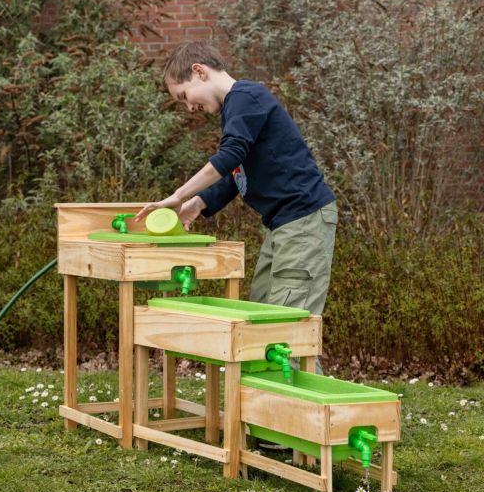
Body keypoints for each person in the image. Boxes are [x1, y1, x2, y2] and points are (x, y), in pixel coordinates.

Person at [134, 41, 337, 375]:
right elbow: (234, 172)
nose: (189, 108)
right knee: (260, 316)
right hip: (283, 225)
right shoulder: (237, 110)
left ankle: (306, 419)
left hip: (304, 221)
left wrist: (178, 195)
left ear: (199, 71)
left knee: (286, 327)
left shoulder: (246, 97)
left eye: (185, 96)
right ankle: (267, 415)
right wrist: (198, 203)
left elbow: (228, 157)